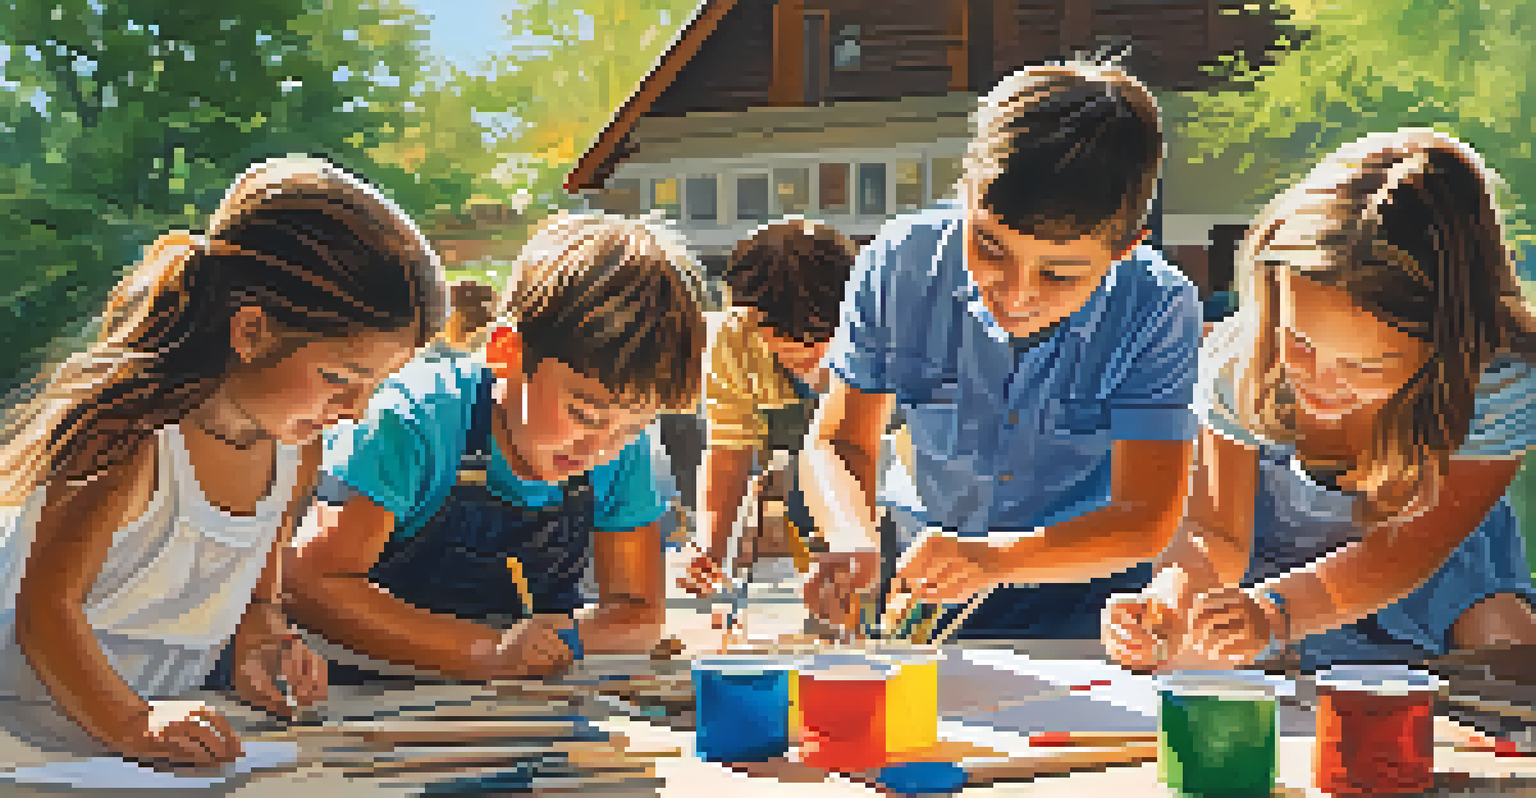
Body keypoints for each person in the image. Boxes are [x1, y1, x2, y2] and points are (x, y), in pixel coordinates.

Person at [0, 157, 442, 768]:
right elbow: (44, 612)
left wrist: (264, 645)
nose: (355, 411)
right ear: (252, 331)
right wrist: (132, 722)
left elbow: (258, 600)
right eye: (340, 379)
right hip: (29, 731)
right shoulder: (131, 436)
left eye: (374, 387)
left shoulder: (295, 450)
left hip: (148, 739)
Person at [1104, 129, 1536, 674]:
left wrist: (1277, 614)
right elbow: (1215, 533)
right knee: (1183, 656)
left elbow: (1407, 552)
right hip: (1272, 564)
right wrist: (1168, 600)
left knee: (1505, 651)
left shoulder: (1495, 384)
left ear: (1449, 345)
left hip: (1428, 564)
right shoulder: (1243, 361)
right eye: (1300, 342)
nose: (1321, 382)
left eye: (1367, 365)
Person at [802, 60, 1201, 638]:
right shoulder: (899, 263)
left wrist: (995, 561)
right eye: (989, 246)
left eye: (1060, 275)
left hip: (1089, 602)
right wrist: (851, 539)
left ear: (1125, 248)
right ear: (966, 194)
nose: (1016, 295)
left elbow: (1145, 516)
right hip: (925, 585)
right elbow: (840, 440)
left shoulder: (1158, 307)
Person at [286, 212, 706, 682]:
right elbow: (311, 583)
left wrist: (555, 641)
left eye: (634, 427)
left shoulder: (620, 451)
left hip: (505, 699)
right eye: (585, 415)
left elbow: (638, 614)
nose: (602, 448)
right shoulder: (410, 421)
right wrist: (489, 651)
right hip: (359, 693)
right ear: (507, 351)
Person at [677, 220, 858, 612]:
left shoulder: (882, 329)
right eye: (788, 346)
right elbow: (729, 452)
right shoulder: (732, 339)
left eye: (820, 341)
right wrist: (711, 548)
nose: (807, 355)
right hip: (798, 476)